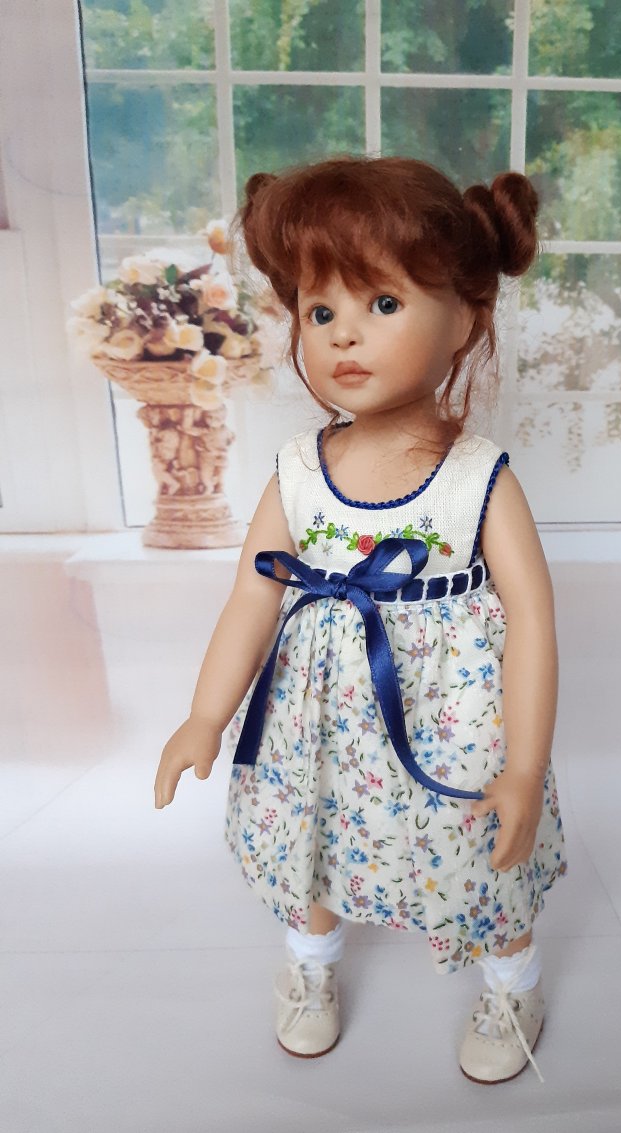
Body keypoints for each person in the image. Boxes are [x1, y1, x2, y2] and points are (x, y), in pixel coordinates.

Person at [154, 155, 567, 1085]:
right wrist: (205, 715)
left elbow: (534, 619)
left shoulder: (477, 477)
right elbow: (253, 592)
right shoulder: (300, 470)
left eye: (383, 303)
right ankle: (311, 965)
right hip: (318, 716)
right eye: (320, 310)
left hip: (451, 717)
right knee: (316, 829)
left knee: (478, 846)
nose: (345, 334)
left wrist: (524, 766)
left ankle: (512, 981)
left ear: (466, 317)